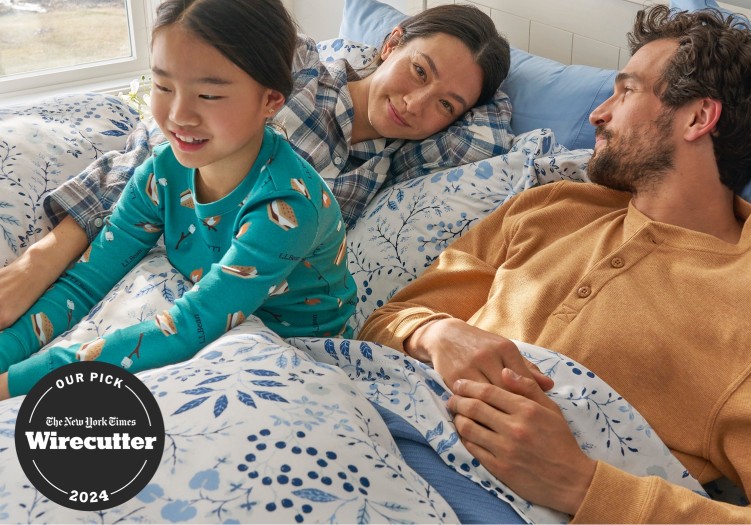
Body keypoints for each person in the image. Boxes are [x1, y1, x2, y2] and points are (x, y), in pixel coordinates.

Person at [360, 4, 751, 522]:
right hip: (369, 421)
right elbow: (383, 324)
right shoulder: (547, 207)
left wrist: (582, 485)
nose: (598, 113)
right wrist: (436, 335)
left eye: (627, 90)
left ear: (699, 118)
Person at [0, 3, 512, 331]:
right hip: (125, 213)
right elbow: (162, 146)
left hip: (211, 278)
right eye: (419, 70)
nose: (417, 103)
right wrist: (44, 257)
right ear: (392, 43)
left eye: (447, 105)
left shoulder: (397, 163)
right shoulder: (299, 67)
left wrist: (486, 87)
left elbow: (496, 136)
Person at [0, 0, 359, 399]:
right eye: (163, 86)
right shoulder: (163, 171)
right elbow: (87, 281)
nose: (178, 115)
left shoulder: (287, 206)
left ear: (271, 100)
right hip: (210, 311)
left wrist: (14, 386)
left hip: (301, 349)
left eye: (207, 95)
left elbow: (190, 326)